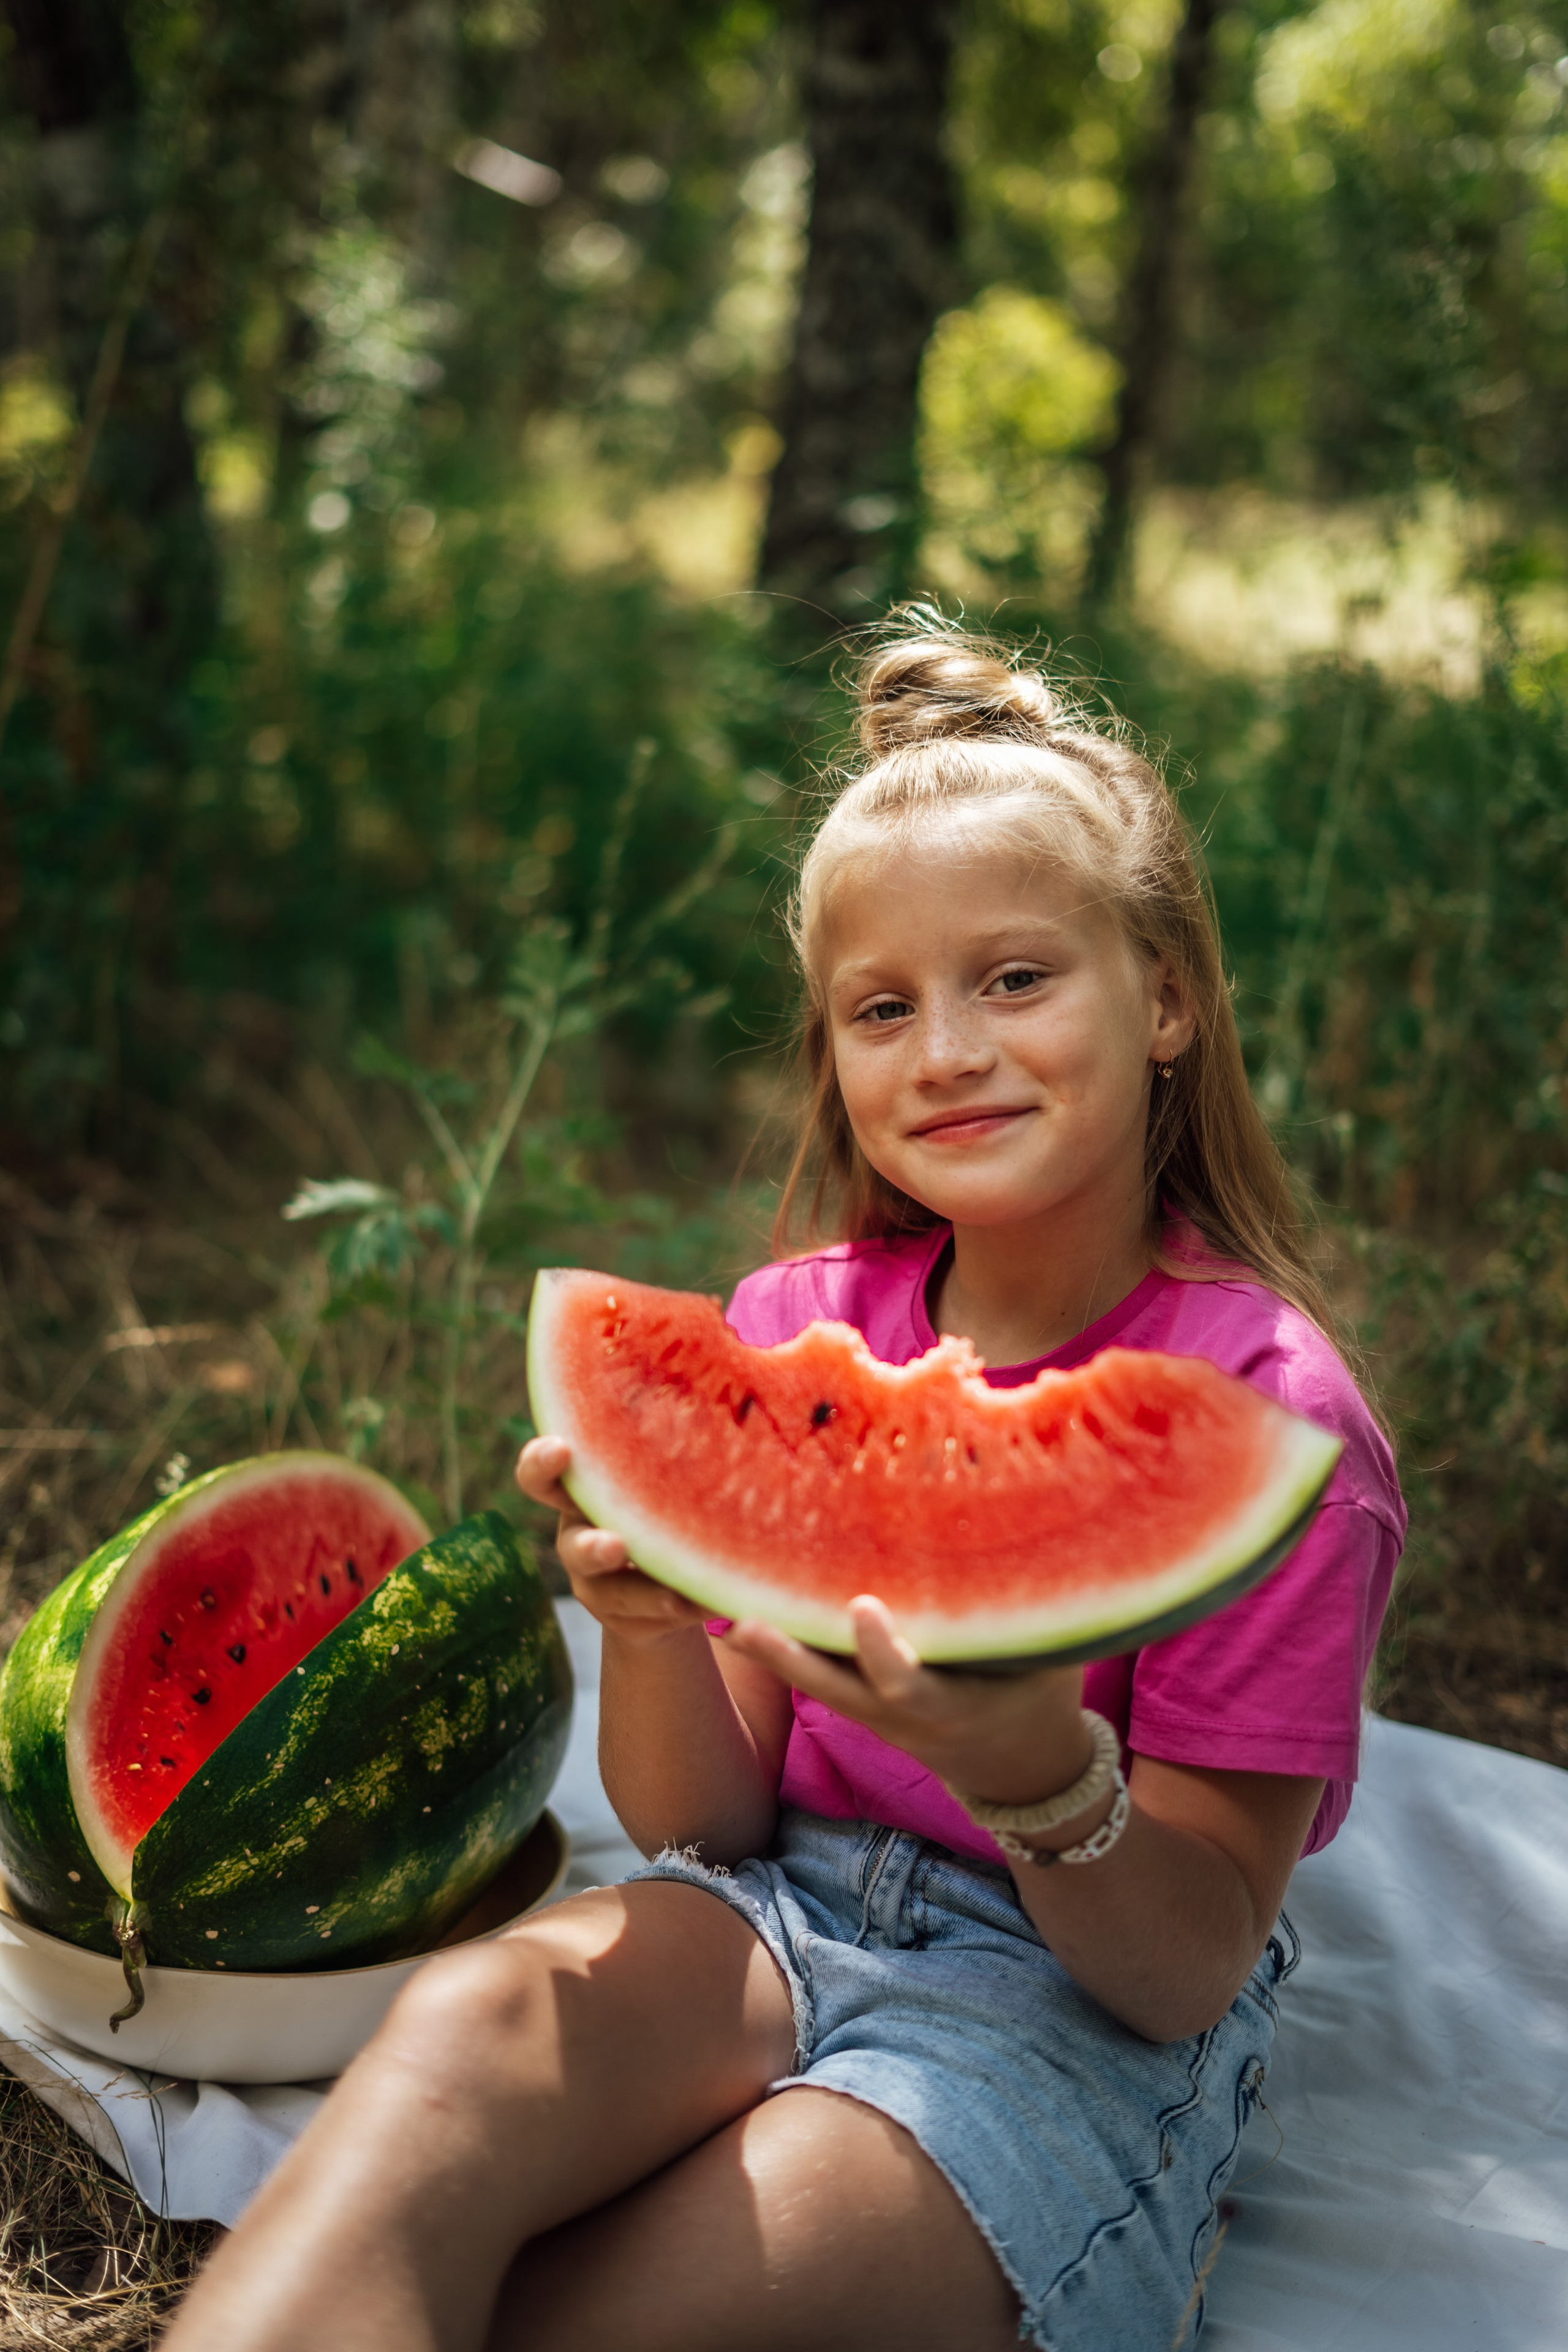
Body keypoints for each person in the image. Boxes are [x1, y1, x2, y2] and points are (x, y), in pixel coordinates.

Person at [166, 615, 1404, 2352]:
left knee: (564, 2320)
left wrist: (1043, 1779)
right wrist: (658, 1623)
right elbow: (703, 1827)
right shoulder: (791, 1325)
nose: (949, 1051)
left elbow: (1184, 1966)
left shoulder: (1278, 1424)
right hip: (772, 1905)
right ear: (832, 1053)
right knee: (450, 2054)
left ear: (1172, 999)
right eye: (881, 1008)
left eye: (1018, 980)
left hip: (1070, 2015)